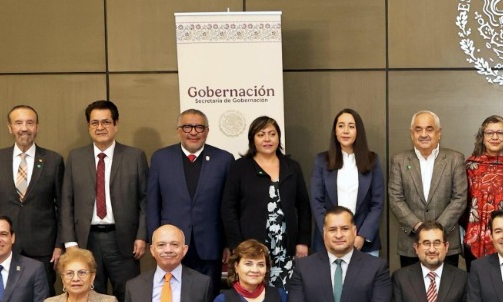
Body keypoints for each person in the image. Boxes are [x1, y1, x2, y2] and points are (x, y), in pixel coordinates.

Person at [60, 100, 148, 295]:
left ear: (116, 124)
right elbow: (66, 201)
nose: (100, 127)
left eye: (106, 122)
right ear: (88, 126)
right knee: (89, 297)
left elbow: (145, 200)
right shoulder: (75, 157)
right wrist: (70, 242)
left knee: (128, 295)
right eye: (95, 123)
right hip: (86, 241)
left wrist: (142, 236)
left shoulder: (134, 156)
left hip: (124, 241)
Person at [0, 105, 66, 284]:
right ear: (10, 127)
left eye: (30, 123)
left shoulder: (53, 160)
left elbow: (63, 207)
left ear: (37, 127)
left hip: (43, 248)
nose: (24, 128)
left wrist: (59, 245)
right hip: (3, 246)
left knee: (42, 296)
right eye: (18, 123)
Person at [221, 116, 310, 288]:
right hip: (251, 247)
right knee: (254, 291)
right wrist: (238, 245)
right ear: (252, 139)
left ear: (278, 137)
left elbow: (303, 207)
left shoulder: (292, 167)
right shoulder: (240, 167)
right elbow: (228, 208)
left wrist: (302, 241)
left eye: (272, 134)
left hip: (286, 246)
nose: (267, 139)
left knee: (285, 293)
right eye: (261, 135)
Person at [146, 109, 234, 283]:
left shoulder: (224, 159)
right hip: (171, 245)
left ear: (207, 131)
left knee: (208, 295)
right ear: (178, 130)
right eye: (187, 127)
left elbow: (228, 206)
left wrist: (228, 243)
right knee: (172, 294)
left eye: (199, 127)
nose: (193, 132)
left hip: (210, 245)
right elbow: (153, 204)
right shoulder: (161, 158)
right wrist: (154, 241)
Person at [388, 111, 468, 268]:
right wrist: (417, 226)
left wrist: (437, 230)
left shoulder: (455, 159)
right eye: (418, 129)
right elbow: (395, 198)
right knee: (411, 284)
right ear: (412, 134)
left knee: (448, 284)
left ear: (439, 133)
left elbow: (460, 198)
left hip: (445, 243)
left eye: (429, 129)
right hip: (411, 243)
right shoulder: (399, 160)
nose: (423, 134)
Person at [312, 108, 387, 257]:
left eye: (351, 126)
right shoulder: (322, 160)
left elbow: (377, 203)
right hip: (328, 242)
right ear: (335, 131)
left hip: (364, 243)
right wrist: (331, 233)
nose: (345, 131)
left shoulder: (372, 160)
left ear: (358, 131)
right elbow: (317, 202)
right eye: (341, 126)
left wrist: (362, 236)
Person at [464, 115, 503, 262]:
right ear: (482, 137)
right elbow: (461, 202)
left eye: (500, 133)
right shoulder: (470, 166)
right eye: (489, 133)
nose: (495, 137)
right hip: (475, 237)